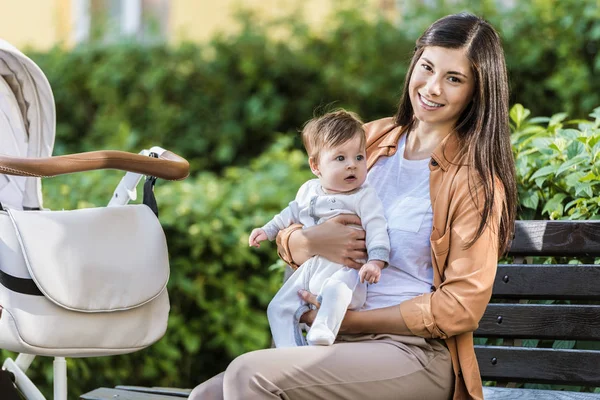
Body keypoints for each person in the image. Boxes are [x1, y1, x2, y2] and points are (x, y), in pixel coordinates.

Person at [189, 12, 517, 400]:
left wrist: (351, 321)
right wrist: (307, 243)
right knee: (206, 396)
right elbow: (305, 208)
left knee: (248, 374)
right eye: (427, 67)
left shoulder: (474, 181)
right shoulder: (371, 140)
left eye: (454, 79)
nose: (432, 87)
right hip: (337, 337)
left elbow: (460, 307)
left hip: (411, 353)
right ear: (414, 63)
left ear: (476, 91)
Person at [248, 110, 390, 347]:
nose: (352, 166)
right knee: (278, 307)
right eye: (340, 158)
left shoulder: (364, 197)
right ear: (316, 165)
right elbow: (291, 213)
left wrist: (375, 261)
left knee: (336, 290)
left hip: (347, 272)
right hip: (313, 268)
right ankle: (289, 353)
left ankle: (322, 332)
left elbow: (377, 228)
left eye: (359, 157)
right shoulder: (308, 190)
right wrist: (268, 230)